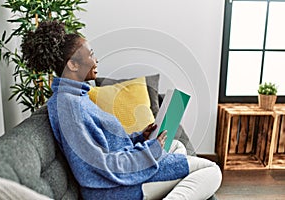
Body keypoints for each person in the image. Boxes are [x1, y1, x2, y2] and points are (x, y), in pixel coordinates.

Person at [21, 21, 222, 200]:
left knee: (176, 145)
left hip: (124, 172)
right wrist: (149, 151)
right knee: (212, 171)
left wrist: (139, 139)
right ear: (72, 64)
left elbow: (107, 144)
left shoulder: (76, 97)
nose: (95, 60)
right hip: (116, 188)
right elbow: (94, 168)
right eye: (90, 55)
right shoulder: (69, 108)